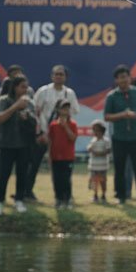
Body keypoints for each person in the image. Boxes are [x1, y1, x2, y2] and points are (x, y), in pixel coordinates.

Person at [29, 65, 80, 200]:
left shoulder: (69, 93)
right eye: (56, 74)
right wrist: (40, 133)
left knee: (62, 167)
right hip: (44, 133)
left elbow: (74, 112)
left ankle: (65, 194)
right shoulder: (43, 91)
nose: (58, 76)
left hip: (60, 134)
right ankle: (26, 191)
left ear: (66, 77)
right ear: (52, 76)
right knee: (33, 163)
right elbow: (35, 112)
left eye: (61, 74)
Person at [103, 65, 136, 205]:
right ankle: (120, 196)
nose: (124, 80)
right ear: (116, 80)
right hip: (119, 138)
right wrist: (123, 115)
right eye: (120, 77)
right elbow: (107, 116)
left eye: (126, 77)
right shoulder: (111, 96)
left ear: (130, 78)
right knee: (119, 169)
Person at [0, 75, 36, 217]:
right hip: (7, 144)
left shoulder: (29, 102)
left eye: (27, 87)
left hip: (24, 144)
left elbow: (34, 123)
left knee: (22, 174)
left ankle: (19, 200)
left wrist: (27, 117)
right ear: (15, 87)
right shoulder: (4, 100)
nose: (26, 89)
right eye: (23, 86)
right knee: (4, 173)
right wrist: (15, 107)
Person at [47, 100, 77, 209]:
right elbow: (50, 141)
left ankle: (67, 199)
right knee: (57, 179)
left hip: (68, 157)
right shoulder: (53, 125)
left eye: (67, 109)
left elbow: (73, 138)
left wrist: (65, 127)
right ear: (58, 110)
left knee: (66, 179)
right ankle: (58, 199)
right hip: (55, 157)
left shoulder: (72, 124)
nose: (65, 111)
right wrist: (49, 156)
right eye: (63, 108)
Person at [87, 119, 110, 203]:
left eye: (97, 130)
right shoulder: (93, 140)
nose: (95, 132)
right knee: (94, 181)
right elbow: (89, 149)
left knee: (103, 181)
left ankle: (103, 195)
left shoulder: (106, 140)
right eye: (94, 130)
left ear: (102, 131)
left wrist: (99, 153)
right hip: (93, 166)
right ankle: (95, 195)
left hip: (102, 166)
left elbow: (108, 151)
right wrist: (91, 148)